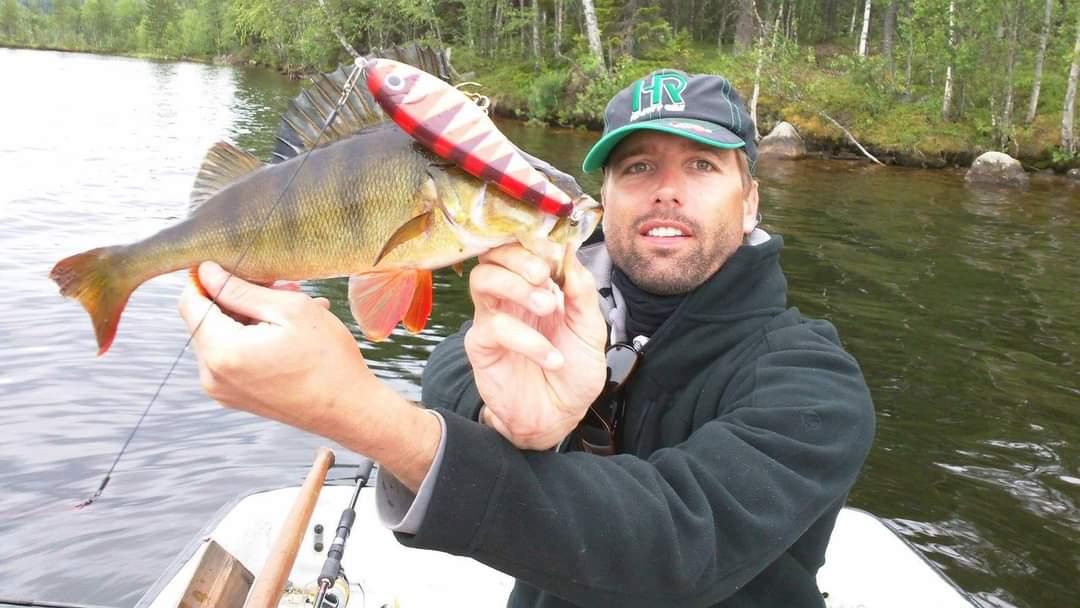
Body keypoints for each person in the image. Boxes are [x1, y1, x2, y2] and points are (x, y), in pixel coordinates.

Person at [179, 68, 875, 607]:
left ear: (749, 199)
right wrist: (508, 423)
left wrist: (359, 415)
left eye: (702, 165)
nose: (667, 190)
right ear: (605, 196)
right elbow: (452, 372)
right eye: (638, 167)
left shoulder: (815, 386)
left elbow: (675, 545)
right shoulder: (532, 303)